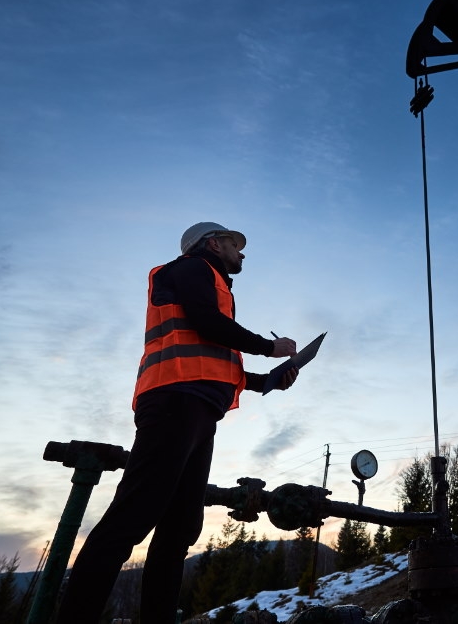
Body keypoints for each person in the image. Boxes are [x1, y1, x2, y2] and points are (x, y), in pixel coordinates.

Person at [55, 222, 300, 623]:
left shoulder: (212, 282)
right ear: (213, 243)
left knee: (179, 528)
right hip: (174, 402)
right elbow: (205, 323)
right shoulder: (190, 269)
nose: (241, 253)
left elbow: (213, 357)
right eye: (235, 245)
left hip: (197, 408)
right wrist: (268, 347)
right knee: (132, 516)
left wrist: (268, 382)